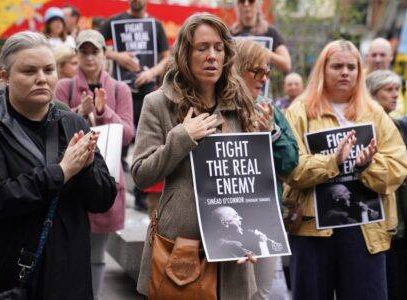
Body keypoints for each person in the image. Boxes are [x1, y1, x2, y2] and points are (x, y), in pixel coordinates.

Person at [0, 31, 116, 299]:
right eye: (29, 70)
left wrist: (88, 168)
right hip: (6, 275)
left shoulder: (73, 123)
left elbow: (103, 200)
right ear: (4, 77)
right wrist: (62, 172)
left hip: (68, 274)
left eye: (49, 69)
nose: (42, 78)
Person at [132, 13, 260, 298]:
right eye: (202, 48)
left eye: (218, 47)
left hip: (233, 256)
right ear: (184, 54)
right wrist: (181, 137)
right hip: (181, 250)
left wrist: (255, 234)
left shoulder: (242, 104)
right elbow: (141, 174)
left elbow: (251, 183)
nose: (212, 56)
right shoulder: (158, 104)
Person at [284, 40, 407, 300]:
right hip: (312, 229)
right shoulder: (300, 111)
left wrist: (367, 165)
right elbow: (289, 168)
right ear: (322, 69)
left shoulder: (373, 112)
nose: (345, 72)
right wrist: (333, 162)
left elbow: (399, 166)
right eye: (337, 66)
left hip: (366, 231)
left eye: (351, 67)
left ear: (360, 72)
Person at [54, 29, 134, 300]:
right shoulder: (63, 87)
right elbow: (50, 128)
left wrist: (102, 111)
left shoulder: (119, 89)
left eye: (94, 51)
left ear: (104, 55)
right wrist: (78, 113)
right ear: (76, 55)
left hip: (104, 180)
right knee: (66, 249)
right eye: (83, 52)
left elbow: (128, 133)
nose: (89, 58)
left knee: (97, 254)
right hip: (69, 181)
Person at [235, 38, 298, 300]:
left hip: (266, 213)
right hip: (228, 214)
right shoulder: (216, 106)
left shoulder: (268, 107)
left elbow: (291, 162)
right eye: (257, 71)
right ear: (236, 68)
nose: (264, 78)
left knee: (261, 293)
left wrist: (271, 132)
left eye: (267, 72)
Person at [99, 0, 170, 211]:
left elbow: (166, 58)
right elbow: (93, 44)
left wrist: (151, 73)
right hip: (120, 92)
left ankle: (141, 195)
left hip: (147, 92)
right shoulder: (115, 21)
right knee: (116, 144)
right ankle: (109, 192)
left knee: (146, 145)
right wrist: (116, 55)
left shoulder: (156, 25)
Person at [366, 69, 407, 300]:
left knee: (406, 278)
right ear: (373, 94)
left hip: (405, 213)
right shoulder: (366, 125)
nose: (395, 95)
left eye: (397, 89)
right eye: (388, 90)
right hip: (380, 211)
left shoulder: (401, 125)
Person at [230, 0, 291, 73]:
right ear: (237, 6)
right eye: (242, 1)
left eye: (251, 1)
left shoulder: (270, 32)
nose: (246, 4)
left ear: (258, 4)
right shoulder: (230, 34)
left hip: (262, 82)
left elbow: (287, 64)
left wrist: (264, 52)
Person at [365, 37, 407, 118]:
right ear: (367, 57)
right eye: (374, 55)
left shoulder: (403, 85)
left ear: (391, 57)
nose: (378, 60)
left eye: (382, 55)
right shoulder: (357, 82)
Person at [211, 206, 275, 259]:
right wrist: (262, 243)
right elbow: (262, 263)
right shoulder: (233, 245)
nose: (241, 218)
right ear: (225, 223)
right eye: (235, 216)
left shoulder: (217, 242)